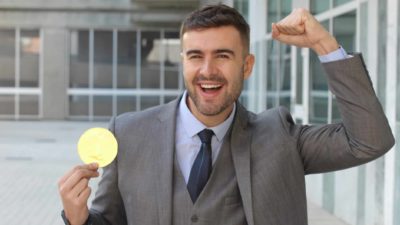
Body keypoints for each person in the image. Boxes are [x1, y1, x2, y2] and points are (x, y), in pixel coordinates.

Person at [58, 4, 394, 225]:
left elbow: (370, 140)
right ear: (183, 61)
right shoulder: (128, 133)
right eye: (195, 56)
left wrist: (325, 45)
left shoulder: (282, 137)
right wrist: (79, 218)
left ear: (246, 66)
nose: (207, 70)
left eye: (222, 56)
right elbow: (107, 219)